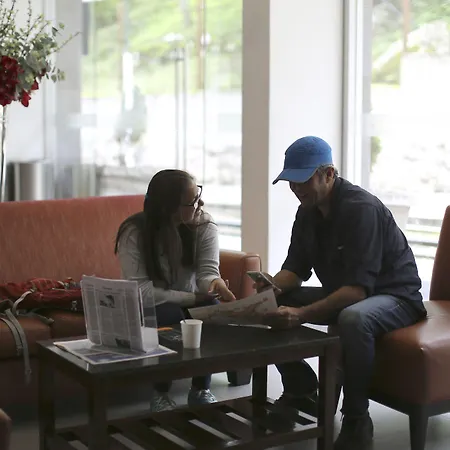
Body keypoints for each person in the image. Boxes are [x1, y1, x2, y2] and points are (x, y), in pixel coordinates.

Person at [256, 136, 427, 450]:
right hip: (349, 293)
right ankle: (300, 387)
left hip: (395, 297)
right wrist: (272, 286)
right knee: (273, 302)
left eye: (303, 180)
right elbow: (295, 269)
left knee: (353, 318)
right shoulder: (307, 211)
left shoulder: (361, 209)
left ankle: (356, 419)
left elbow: (357, 292)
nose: (296, 189)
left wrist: (301, 315)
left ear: (329, 174)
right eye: (291, 181)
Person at [115, 169, 236, 412]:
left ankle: (201, 388)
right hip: (150, 305)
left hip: (190, 298)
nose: (200, 203)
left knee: (211, 310)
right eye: (192, 201)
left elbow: (207, 273)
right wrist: (193, 297)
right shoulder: (134, 232)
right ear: (168, 208)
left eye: (198, 194)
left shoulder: (204, 225)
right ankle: (160, 392)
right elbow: (142, 292)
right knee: (171, 314)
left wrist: (215, 284)